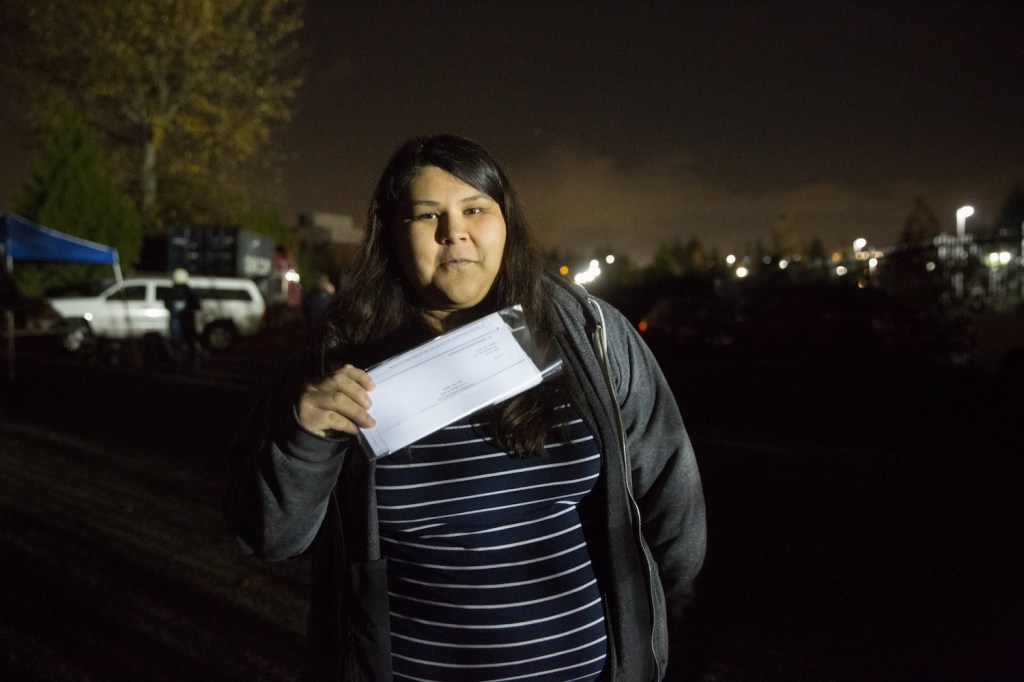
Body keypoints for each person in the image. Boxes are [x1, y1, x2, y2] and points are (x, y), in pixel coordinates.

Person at [223, 134, 706, 681]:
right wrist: (303, 441)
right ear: (390, 233)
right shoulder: (340, 354)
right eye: (427, 215)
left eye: (475, 208)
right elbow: (268, 536)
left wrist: (663, 630)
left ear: (507, 223)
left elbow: (672, 495)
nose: (454, 231)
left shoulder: (589, 333)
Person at [165, 267, 201, 373]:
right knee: (191, 344)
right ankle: (193, 366)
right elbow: (198, 306)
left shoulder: (171, 291)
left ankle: (178, 366)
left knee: (177, 344)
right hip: (188, 322)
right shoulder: (190, 292)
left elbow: (166, 305)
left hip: (176, 322)